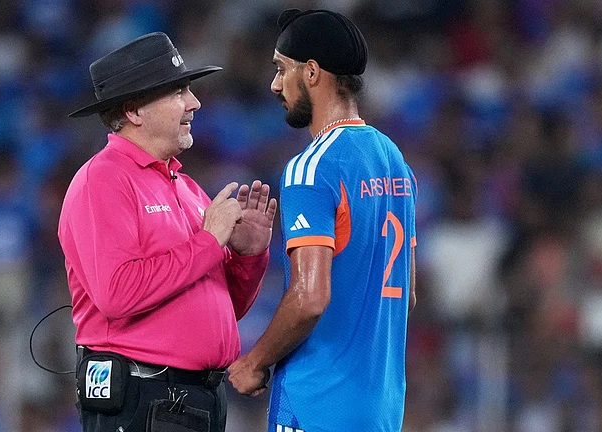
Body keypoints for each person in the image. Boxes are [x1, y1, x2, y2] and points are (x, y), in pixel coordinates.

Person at [58, 32, 277, 432]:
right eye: (178, 91)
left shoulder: (187, 188)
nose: (194, 103)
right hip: (143, 398)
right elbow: (117, 294)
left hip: (198, 398)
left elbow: (217, 306)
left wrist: (248, 258)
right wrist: (209, 242)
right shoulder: (103, 180)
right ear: (134, 109)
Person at [228, 9, 418, 432]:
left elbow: (311, 296)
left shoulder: (311, 169)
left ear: (311, 72)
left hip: (317, 404)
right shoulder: (395, 162)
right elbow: (408, 294)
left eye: (281, 70)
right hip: (381, 407)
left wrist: (254, 362)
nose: (275, 84)